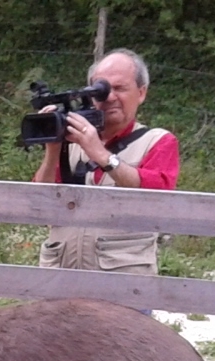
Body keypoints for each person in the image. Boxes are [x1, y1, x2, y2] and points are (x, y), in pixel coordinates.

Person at [31, 48, 180, 276]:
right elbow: (39, 205)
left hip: (123, 282)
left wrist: (101, 154)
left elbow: (159, 196)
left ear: (141, 93)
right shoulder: (70, 143)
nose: (109, 97)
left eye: (119, 88)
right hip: (59, 276)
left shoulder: (158, 141)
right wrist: (53, 149)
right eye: (100, 90)